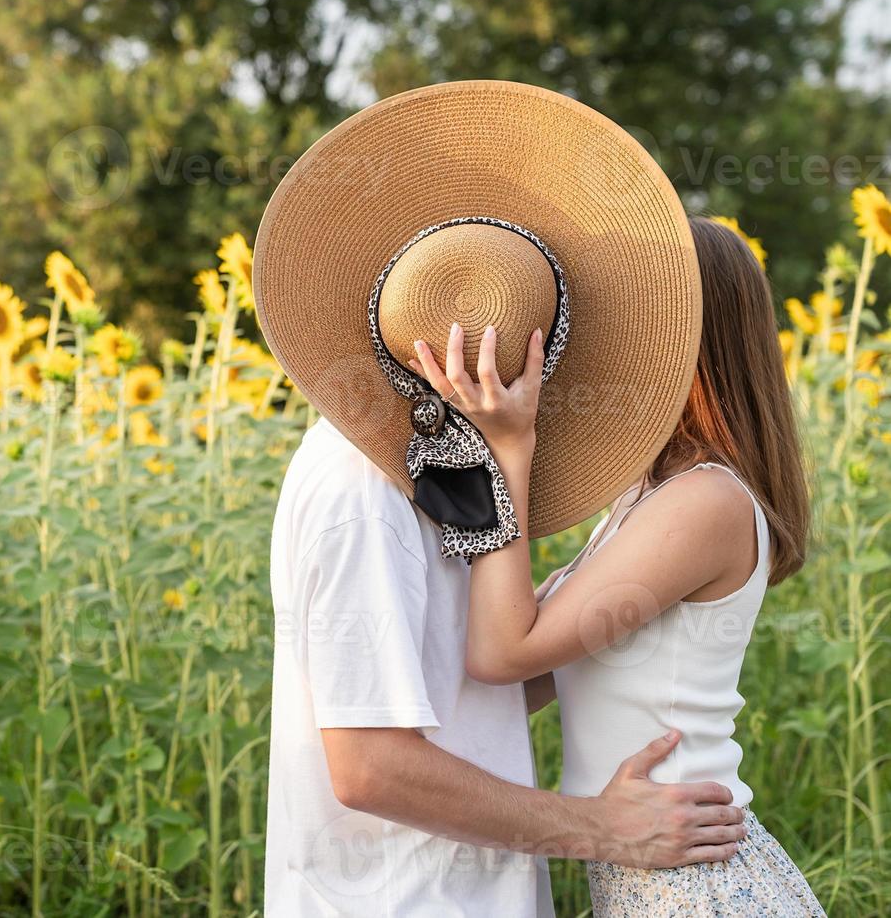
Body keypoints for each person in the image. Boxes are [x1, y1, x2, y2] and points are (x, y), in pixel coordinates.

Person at [253, 80, 746, 915]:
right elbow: (369, 765)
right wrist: (599, 828)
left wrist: (578, 612)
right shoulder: (360, 491)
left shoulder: (445, 470)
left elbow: (458, 688)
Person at [406, 216, 824, 915]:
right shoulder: (644, 498)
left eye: (630, 327)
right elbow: (522, 675)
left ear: (684, 345)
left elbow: (503, 651)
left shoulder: (705, 503)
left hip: (696, 889)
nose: (598, 348)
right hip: (653, 873)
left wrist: (506, 450)